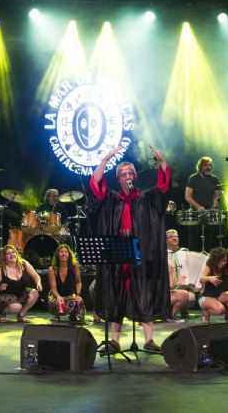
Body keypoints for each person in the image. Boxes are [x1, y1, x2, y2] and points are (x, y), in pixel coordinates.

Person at [90, 144, 171, 354]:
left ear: (134, 176)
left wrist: (163, 164)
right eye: (123, 174)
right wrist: (105, 159)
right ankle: (115, 341)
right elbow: (96, 184)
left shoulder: (145, 197)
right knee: (116, 292)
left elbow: (163, 188)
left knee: (144, 293)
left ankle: (149, 340)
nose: (127, 176)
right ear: (118, 179)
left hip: (140, 253)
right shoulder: (111, 198)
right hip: (117, 253)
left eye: (130, 173)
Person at [0, 245, 42, 323]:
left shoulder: (24, 264)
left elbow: (35, 275)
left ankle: (21, 315)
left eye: (13, 252)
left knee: (34, 292)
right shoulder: (0, 269)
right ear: (4, 257)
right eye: (8, 253)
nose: (12, 255)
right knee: (17, 307)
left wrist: (38, 283)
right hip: (5, 296)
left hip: (20, 293)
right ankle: (2, 313)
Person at [184, 156, 221, 251]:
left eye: (210, 165)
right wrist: (198, 207)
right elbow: (187, 196)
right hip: (195, 213)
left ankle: (207, 262)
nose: (208, 167)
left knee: (208, 240)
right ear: (200, 166)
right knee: (194, 240)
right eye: (205, 165)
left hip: (208, 213)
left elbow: (217, 196)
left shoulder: (214, 179)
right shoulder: (193, 178)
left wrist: (214, 206)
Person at [198, 247, 228, 323]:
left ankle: (227, 317)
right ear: (215, 260)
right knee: (220, 310)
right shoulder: (209, 267)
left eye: (225, 260)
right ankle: (207, 313)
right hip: (206, 297)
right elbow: (201, 279)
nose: (223, 263)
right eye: (221, 261)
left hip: (218, 296)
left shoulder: (225, 269)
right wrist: (209, 278)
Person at [47, 244, 85, 323]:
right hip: (56, 295)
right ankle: (57, 315)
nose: (63, 254)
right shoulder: (52, 269)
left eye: (66, 252)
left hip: (70, 295)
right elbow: (53, 289)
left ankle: (74, 316)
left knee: (79, 301)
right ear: (57, 255)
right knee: (56, 302)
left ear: (69, 254)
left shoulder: (74, 267)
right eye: (61, 252)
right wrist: (58, 296)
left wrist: (78, 295)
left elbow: (78, 282)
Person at [166, 229, 195, 320]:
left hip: (184, 286)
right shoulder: (162, 254)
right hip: (168, 287)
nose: (175, 239)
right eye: (171, 237)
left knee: (191, 298)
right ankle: (169, 312)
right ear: (165, 240)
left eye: (176, 237)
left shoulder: (185, 252)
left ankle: (181, 309)